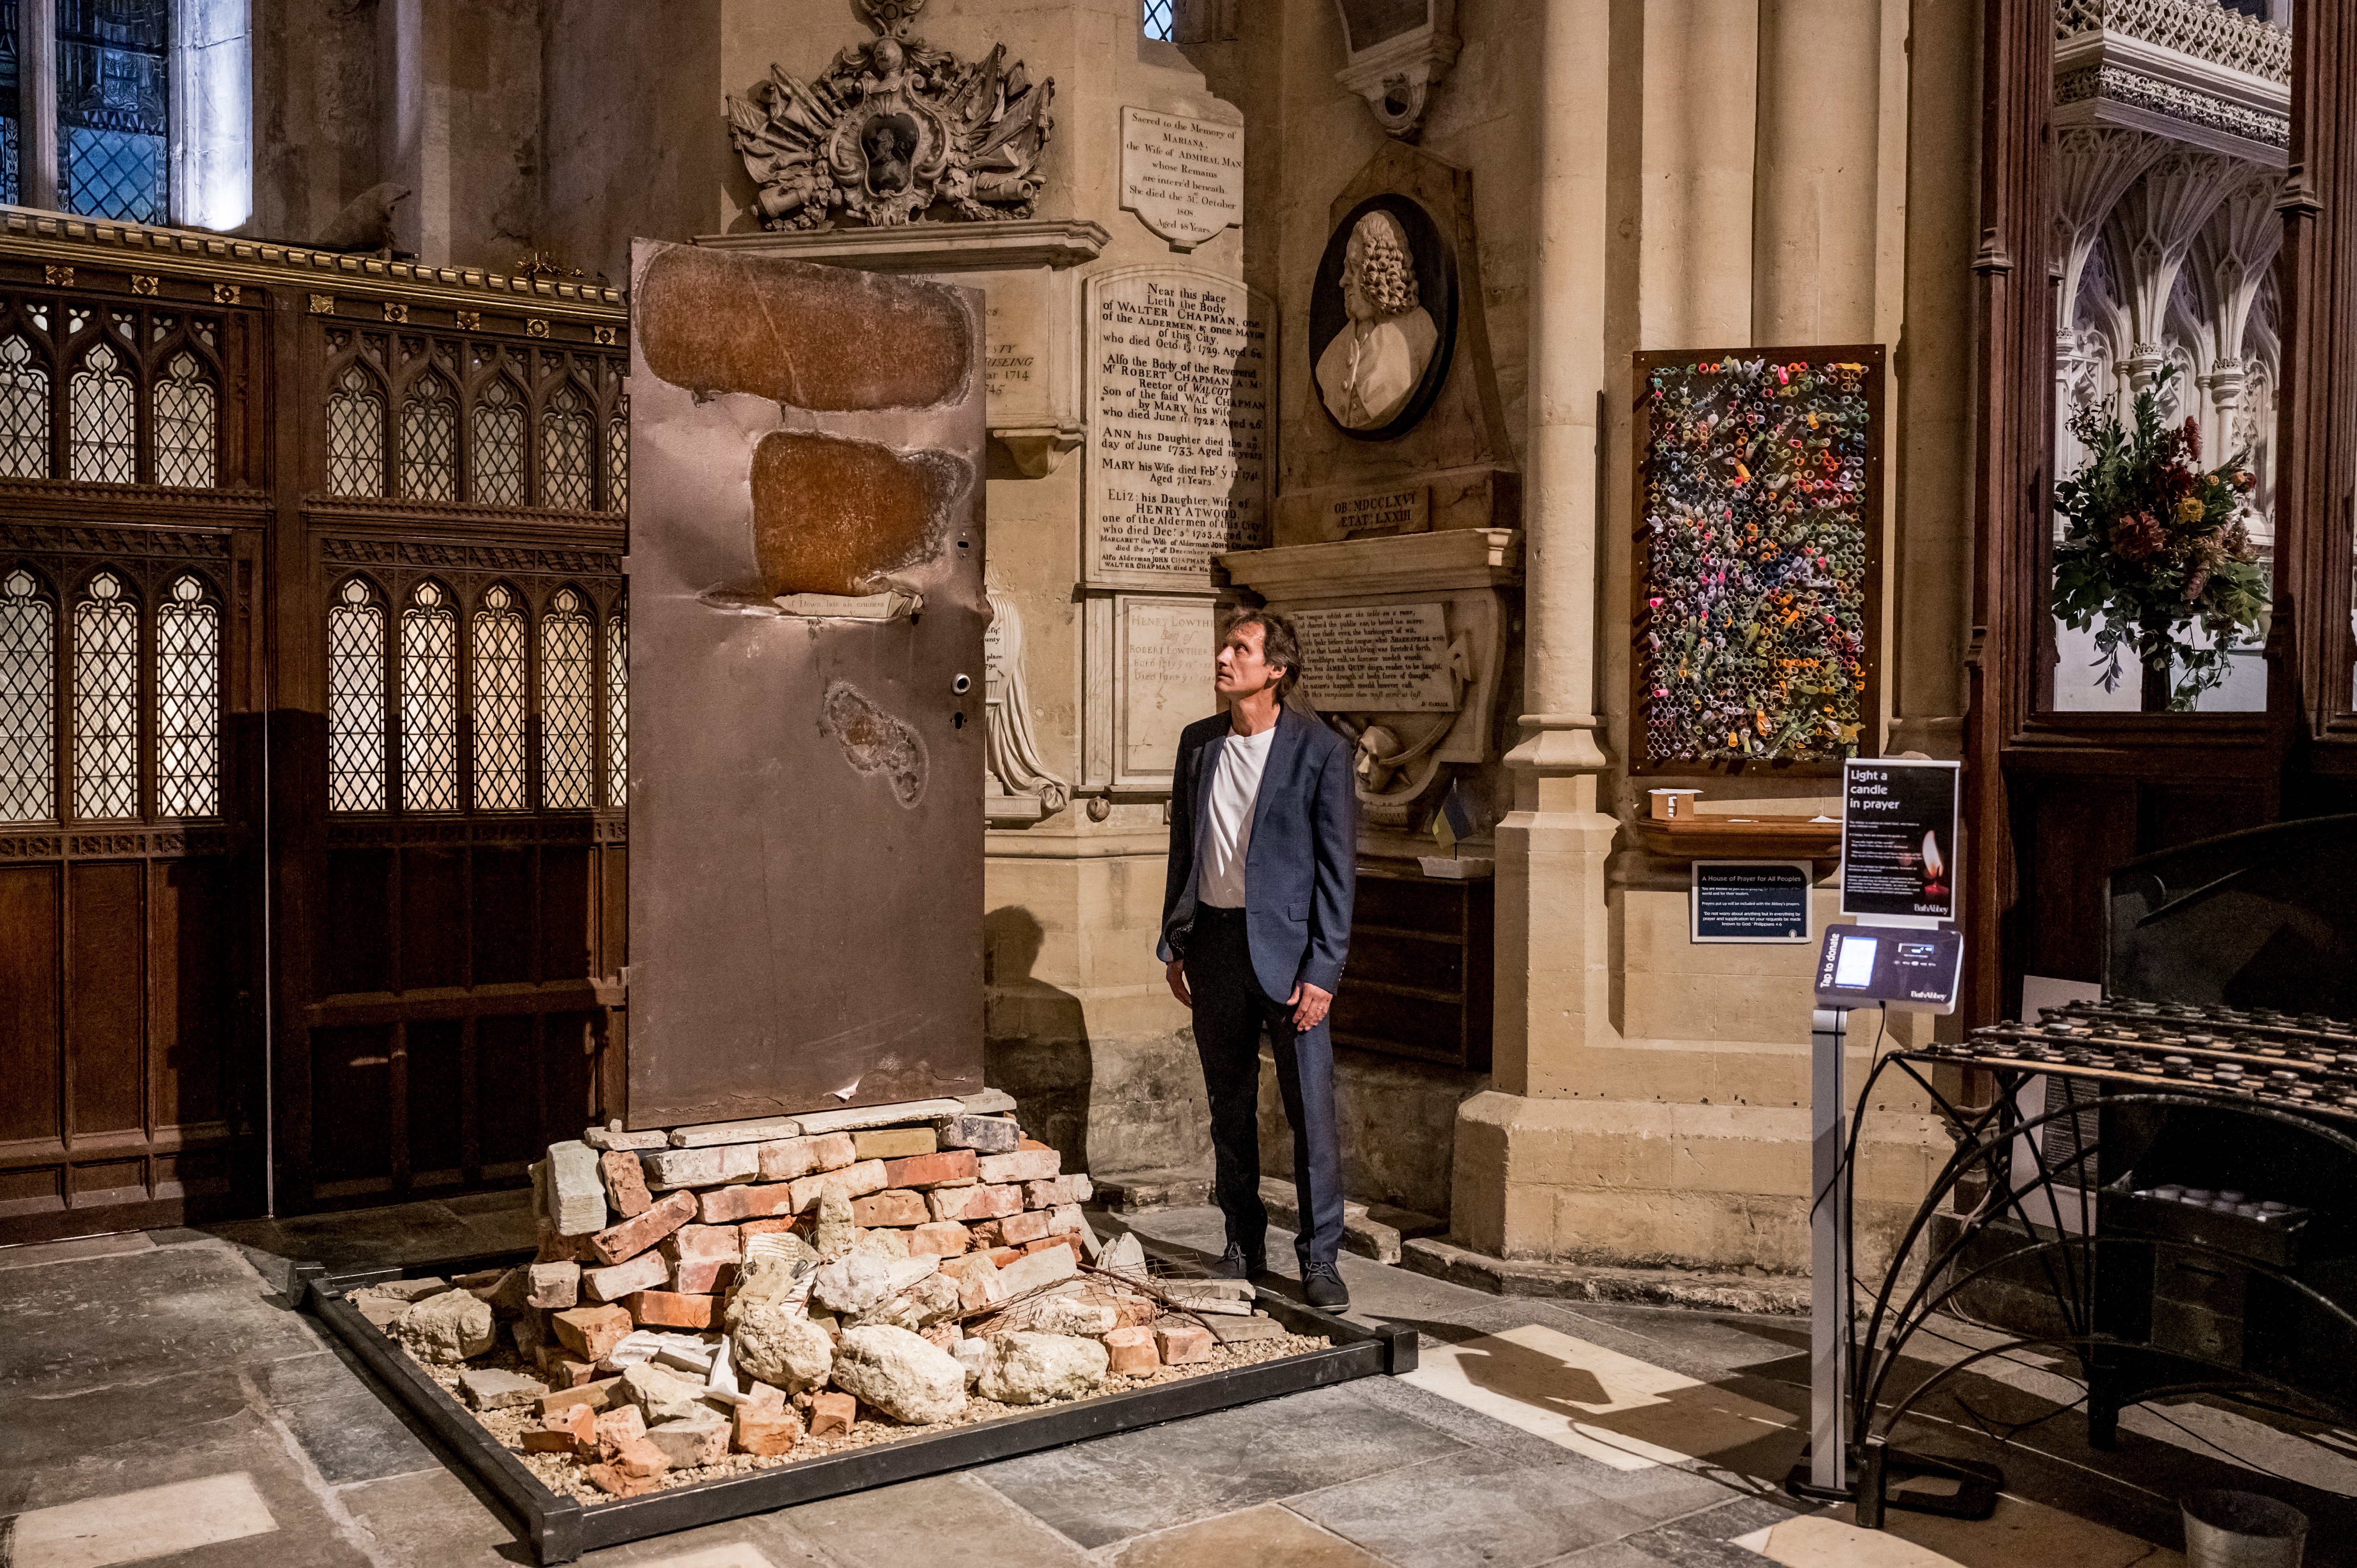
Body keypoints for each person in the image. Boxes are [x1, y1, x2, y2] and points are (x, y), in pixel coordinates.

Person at [1157, 611, 1358, 1310]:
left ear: (1275, 669)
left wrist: (1324, 971)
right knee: (1228, 1107)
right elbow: (1185, 849)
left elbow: (1338, 872)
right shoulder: (1199, 744)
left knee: (1311, 1115)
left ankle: (1320, 1259)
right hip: (1213, 946)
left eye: (1239, 649)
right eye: (1225, 645)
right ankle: (1242, 1244)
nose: (1223, 656)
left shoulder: (1320, 751)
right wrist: (1176, 939)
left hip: (1291, 957)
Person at [1315, 208, 1439, 430]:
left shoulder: (1420, 334)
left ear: (1380, 272)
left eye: (1354, 269)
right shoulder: (1331, 357)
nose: (1343, 281)